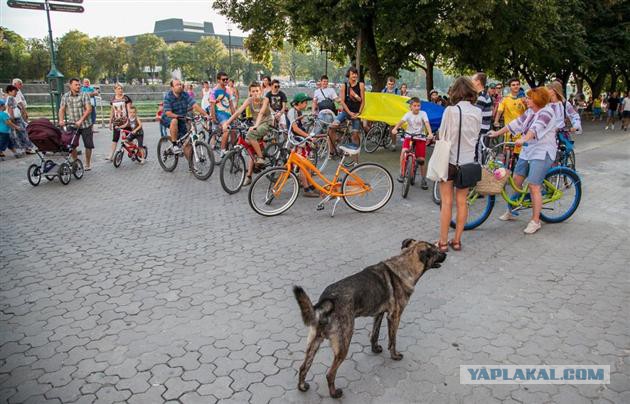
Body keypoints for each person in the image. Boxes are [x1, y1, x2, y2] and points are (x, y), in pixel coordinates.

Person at [488, 87, 556, 234]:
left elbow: (536, 129)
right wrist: (496, 133)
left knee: (533, 186)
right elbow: (515, 124)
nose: (526, 100)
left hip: (541, 152)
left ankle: (535, 221)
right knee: (517, 180)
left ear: (537, 100)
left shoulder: (547, 112)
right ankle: (511, 210)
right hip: (527, 150)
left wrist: (524, 138)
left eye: (529, 98)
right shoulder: (530, 112)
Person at [436, 77, 482, 252]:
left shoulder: (450, 111)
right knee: (462, 202)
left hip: (449, 160)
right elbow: (476, 136)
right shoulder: (477, 112)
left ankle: (442, 242)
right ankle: (457, 241)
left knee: (446, 202)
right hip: (468, 162)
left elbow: (442, 135)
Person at [223, 82, 270, 185]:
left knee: (250, 136)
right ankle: (249, 176)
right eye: (253, 91)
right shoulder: (249, 100)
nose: (255, 93)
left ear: (261, 91)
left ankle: (261, 158)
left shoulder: (265, 100)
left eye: (257, 91)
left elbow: (261, 112)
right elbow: (238, 111)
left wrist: (256, 125)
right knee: (250, 148)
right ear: (250, 92)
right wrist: (227, 122)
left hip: (266, 123)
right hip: (255, 124)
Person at [391, 97, 433, 189]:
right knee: (404, 151)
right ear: (410, 107)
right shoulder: (408, 114)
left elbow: (427, 123)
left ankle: (423, 179)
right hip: (409, 136)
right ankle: (402, 172)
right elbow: (401, 122)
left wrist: (430, 133)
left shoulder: (423, 114)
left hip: (420, 137)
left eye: (419, 106)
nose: (417, 107)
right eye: (415, 106)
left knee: (421, 160)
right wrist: (395, 129)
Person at [161, 79, 209, 154]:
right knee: (174, 120)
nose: (180, 86)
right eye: (177, 85)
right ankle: (174, 145)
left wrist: (206, 115)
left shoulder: (185, 94)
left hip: (181, 118)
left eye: (180, 84)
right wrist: (180, 117)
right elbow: (168, 113)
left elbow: (195, 105)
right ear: (172, 87)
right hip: (167, 118)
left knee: (187, 144)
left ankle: (191, 164)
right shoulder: (168, 97)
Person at [286, 93, 319, 198]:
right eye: (305, 102)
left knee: (307, 163)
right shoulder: (292, 112)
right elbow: (295, 129)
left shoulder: (297, 111)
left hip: (301, 141)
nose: (306, 104)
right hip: (298, 142)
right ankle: (306, 188)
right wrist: (308, 136)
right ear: (299, 103)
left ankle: (309, 185)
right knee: (303, 166)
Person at [328, 67, 365, 156]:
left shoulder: (361, 85)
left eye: (356, 74)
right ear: (349, 74)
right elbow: (342, 101)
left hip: (356, 113)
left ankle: (356, 159)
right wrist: (349, 112)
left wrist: (359, 113)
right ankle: (331, 151)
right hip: (346, 112)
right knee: (332, 127)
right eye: (353, 73)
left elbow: (363, 101)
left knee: (355, 134)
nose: (355, 75)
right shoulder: (344, 85)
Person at [59, 78, 94, 170]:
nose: (78, 86)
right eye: (76, 85)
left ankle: (87, 163)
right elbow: (62, 109)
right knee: (71, 145)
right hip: (72, 124)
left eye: (79, 85)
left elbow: (89, 109)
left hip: (86, 124)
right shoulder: (65, 96)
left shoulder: (84, 95)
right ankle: (76, 162)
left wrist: (81, 120)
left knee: (88, 145)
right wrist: (61, 120)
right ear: (70, 86)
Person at [494, 78, 527, 157]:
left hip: (521, 131)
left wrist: (525, 103)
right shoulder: (505, 99)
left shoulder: (524, 99)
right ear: (510, 87)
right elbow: (499, 111)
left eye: (517, 84)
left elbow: (530, 111)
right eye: (513, 85)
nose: (516, 86)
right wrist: (496, 121)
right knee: (507, 154)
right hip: (509, 131)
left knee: (519, 155)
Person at [210, 72, 236, 158]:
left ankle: (233, 149)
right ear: (218, 80)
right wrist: (213, 118)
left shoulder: (228, 90)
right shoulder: (214, 91)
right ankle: (222, 150)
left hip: (228, 114)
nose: (225, 81)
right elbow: (212, 106)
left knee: (234, 131)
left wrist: (235, 116)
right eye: (223, 79)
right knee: (227, 129)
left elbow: (231, 105)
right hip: (219, 114)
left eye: (226, 79)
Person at [4, 85, 35, 155]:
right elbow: (10, 109)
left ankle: (24, 148)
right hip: (16, 119)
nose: (16, 93)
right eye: (14, 91)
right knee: (23, 133)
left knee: (19, 134)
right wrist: (12, 118)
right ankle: (28, 148)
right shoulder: (11, 98)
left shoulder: (9, 98)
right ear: (10, 91)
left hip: (16, 119)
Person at [106, 83, 132, 161]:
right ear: (115, 90)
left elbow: (129, 110)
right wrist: (110, 122)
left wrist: (129, 120)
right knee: (115, 139)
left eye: (121, 88)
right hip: (117, 121)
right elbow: (112, 111)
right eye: (118, 88)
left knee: (129, 138)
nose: (120, 90)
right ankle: (111, 155)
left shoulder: (126, 98)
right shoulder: (113, 99)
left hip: (125, 121)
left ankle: (134, 149)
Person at [472, 72, 493, 148]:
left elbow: (474, 115)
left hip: (481, 131)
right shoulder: (483, 95)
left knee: (478, 156)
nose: (471, 82)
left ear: (478, 82)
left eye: (473, 80)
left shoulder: (481, 97)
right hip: (482, 130)